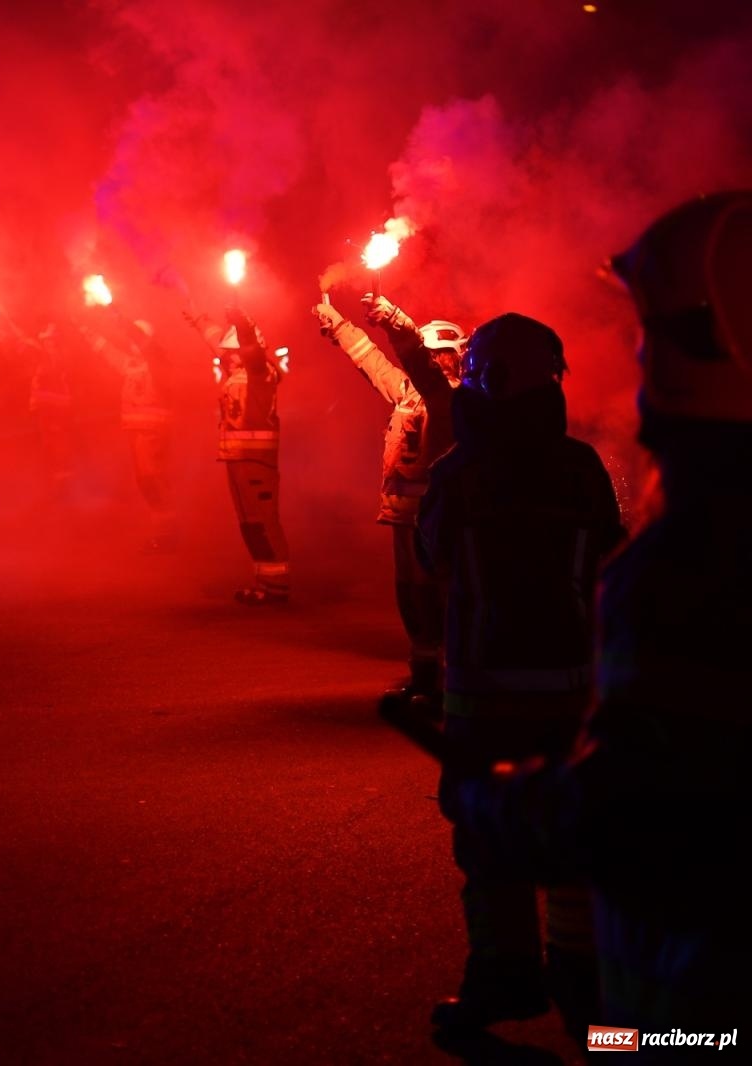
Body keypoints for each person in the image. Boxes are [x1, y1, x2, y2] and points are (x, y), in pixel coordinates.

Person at [454, 190, 751, 1047]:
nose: (636, 350)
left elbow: (645, 808)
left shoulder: (692, 562)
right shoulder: (623, 499)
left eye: (650, 330)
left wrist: (506, 807)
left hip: (696, 1023)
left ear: (707, 343)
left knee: (622, 1042)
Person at [366, 295, 625, 1039]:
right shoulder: (581, 468)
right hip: (574, 694)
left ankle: (504, 978)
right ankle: (585, 990)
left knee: (490, 839)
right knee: (574, 841)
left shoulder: (456, 474)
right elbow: (611, 552)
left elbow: (430, 557)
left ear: (480, 383)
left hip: (482, 699)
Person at [315, 295, 463, 714]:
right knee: (411, 595)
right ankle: (424, 678)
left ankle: (448, 686)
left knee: (439, 597)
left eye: (442, 356)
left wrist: (397, 324)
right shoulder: (408, 392)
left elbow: (416, 365)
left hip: (435, 518)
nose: (436, 363)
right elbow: (371, 361)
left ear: (456, 359)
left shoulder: (451, 397)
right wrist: (339, 324)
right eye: (432, 355)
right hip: (404, 512)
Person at [187, 306, 289, 604]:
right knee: (251, 523)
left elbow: (251, 351)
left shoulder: (260, 372)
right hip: (238, 459)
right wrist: (200, 319)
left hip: (256, 461)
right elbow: (217, 341)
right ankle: (266, 584)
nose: (226, 356)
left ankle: (277, 586)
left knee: (264, 522)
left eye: (233, 352)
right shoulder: (237, 373)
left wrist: (243, 324)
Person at [81, 316, 177, 552]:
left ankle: (167, 534)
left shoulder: (156, 361)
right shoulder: (132, 363)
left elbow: (148, 349)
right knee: (145, 481)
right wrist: (84, 328)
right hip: (137, 431)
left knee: (152, 479)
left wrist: (117, 316)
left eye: (135, 339)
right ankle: (163, 530)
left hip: (153, 430)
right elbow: (107, 351)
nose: (131, 343)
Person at [23, 323, 77, 499]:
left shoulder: (55, 357)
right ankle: (57, 480)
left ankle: (61, 483)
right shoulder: (46, 357)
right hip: (46, 407)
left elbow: (49, 373)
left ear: (54, 341)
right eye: (45, 341)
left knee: (57, 443)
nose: (46, 343)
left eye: (49, 340)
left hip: (55, 407)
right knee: (50, 443)